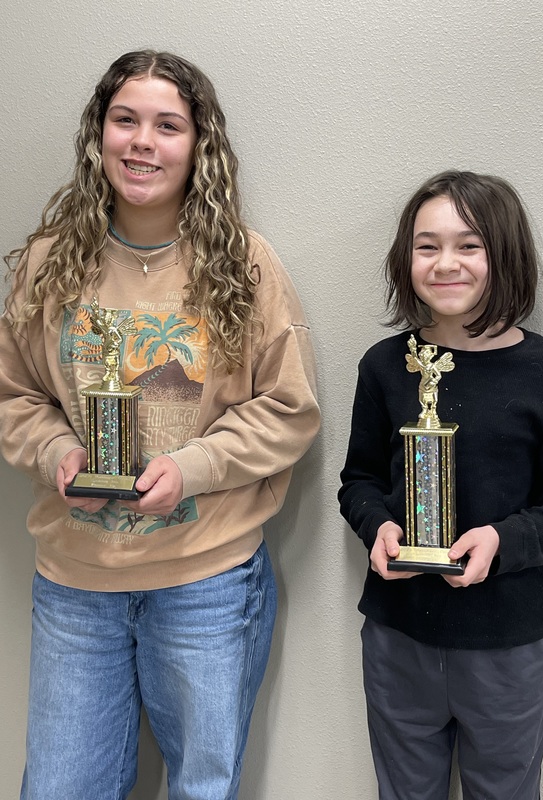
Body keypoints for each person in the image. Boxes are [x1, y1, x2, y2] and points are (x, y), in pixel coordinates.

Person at [0, 50, 320, 800]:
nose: (143, 141)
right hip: (76, 584)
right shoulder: (47, 264)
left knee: (201, 791)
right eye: (125, 120)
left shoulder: (243, 265)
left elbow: (289, 409)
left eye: (167, 125)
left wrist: (193, 468)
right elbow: (14, 395)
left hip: (205, 580)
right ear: (98, 135)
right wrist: (55, 454)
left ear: (198, 145)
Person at [339, 170, 543, 800]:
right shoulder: (384, 366)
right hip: (398, 634)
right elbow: (359, 480)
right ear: (406, 258)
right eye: (427, 246)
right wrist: (378, 528)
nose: (446, 263)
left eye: (469, 245)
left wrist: (502, 543)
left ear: (503, 255)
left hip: (504, 642)